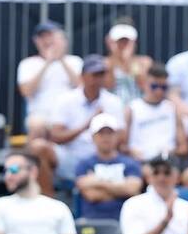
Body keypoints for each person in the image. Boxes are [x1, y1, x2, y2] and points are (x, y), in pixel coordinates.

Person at [28, 54, 125, 197]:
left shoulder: (114, 101)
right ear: (83, 76)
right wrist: (87, 124)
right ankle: (47, 200)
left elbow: (121, 138)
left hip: (102, 157)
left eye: (101, 74)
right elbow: (56, 136)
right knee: (38, 147)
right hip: (71, 156)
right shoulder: (65, 100)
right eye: (94, 74)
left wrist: (104, 145)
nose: (98, 79)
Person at [0, 151, 78, 234]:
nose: (8, 176)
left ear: (33, 171)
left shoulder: (59, 207)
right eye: (5, 171)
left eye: (13, 169)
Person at [16, 21, 82, 140]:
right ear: (36, 41)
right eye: (42, 37)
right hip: (41, 115)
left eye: (51, 36)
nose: (47, 41)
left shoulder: (75, 61)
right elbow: (26, 91)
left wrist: (60, 58)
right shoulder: (27, 63)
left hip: (70, 114)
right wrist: (47, 62)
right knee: (36, 125)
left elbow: (81, 86)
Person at [75, 114, 143, 220]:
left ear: (116, 136)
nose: (106, 137)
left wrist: (98, 182)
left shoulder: (130, 163)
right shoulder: (84, 164)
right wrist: (121, 190)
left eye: (110, 133)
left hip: (126, 219)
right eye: (101, 133)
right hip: (93, 219)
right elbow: (92, 195)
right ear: (93, 137)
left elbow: (132, 189)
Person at [120, 155, 188, 234]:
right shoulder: (133, 204)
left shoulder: (187, 207)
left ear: (177, 177)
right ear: (148, 177)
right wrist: (165, 220)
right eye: (156, 172)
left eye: (167, 173)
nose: (161, 178)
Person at [125, 64, 188, 162]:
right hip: (141, 162)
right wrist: (132, 152)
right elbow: (121, 145)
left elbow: (184, 147)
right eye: (154, 86)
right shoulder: (132, 109)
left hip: (168, 161)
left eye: (163, 87)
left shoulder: (172, 108)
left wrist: (171, 153)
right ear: (144, 84)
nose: (159, 91)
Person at [103, 20, 153, 105]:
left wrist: (129, 60)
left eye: (127, 42)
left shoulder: (145, 61)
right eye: (120, 41)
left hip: (138, 109)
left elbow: (143, 86)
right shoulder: (105, 62)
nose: (123, 45)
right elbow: (109, 86)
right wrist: (115, 56)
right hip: (113, 108)